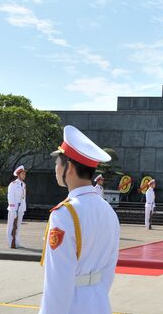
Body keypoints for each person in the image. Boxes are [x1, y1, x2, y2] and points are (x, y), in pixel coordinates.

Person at [39, 125, 120, 314]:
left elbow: (58, 281)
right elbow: (109, 271)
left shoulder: (64, 213)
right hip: (99, 303)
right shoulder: (108, 211)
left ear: (70, 168)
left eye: (58, 162)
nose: (55, 168)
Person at [7, 165, 26, 249]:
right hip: (14, 208)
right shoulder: (13, 184)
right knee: (11, 226)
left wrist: (23, 208)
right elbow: (10, 197)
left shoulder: (23, 184)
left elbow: (23, 198)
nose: (24, 175)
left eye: (24, 174)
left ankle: (17, 241)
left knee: (18, 226)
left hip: (21, 208)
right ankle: (10, 242)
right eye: (23, 174)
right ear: (18, 175)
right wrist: (13, 210)